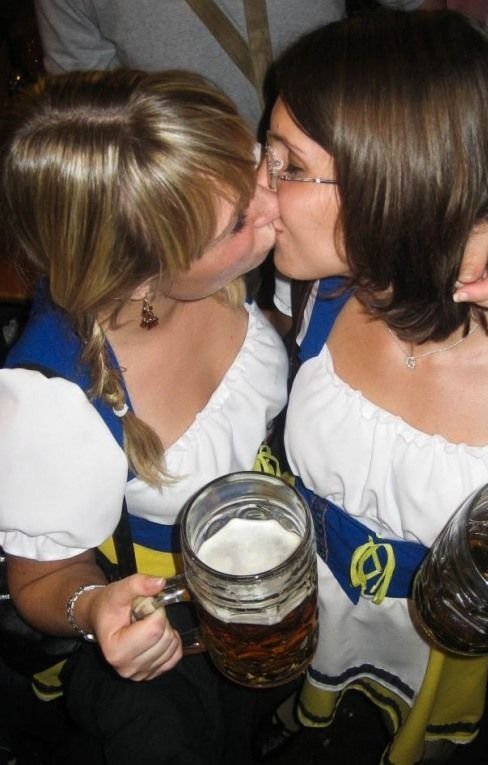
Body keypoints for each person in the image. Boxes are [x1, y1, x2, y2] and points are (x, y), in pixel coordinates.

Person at [258, 9, 488, 765]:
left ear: (394, 173)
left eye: (287, 163)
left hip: (446, 657)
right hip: (312, 613)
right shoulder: (318, 289)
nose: (259, 189)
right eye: (265, 152)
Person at [0, 67, 287, 764]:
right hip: (178, 638)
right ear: (139, 275)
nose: (275, 205)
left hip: (274, 579)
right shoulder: (55, 400)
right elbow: (38, 578)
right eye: (236, 223)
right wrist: (97, 607)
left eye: (252, 164)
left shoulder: (229, 257)